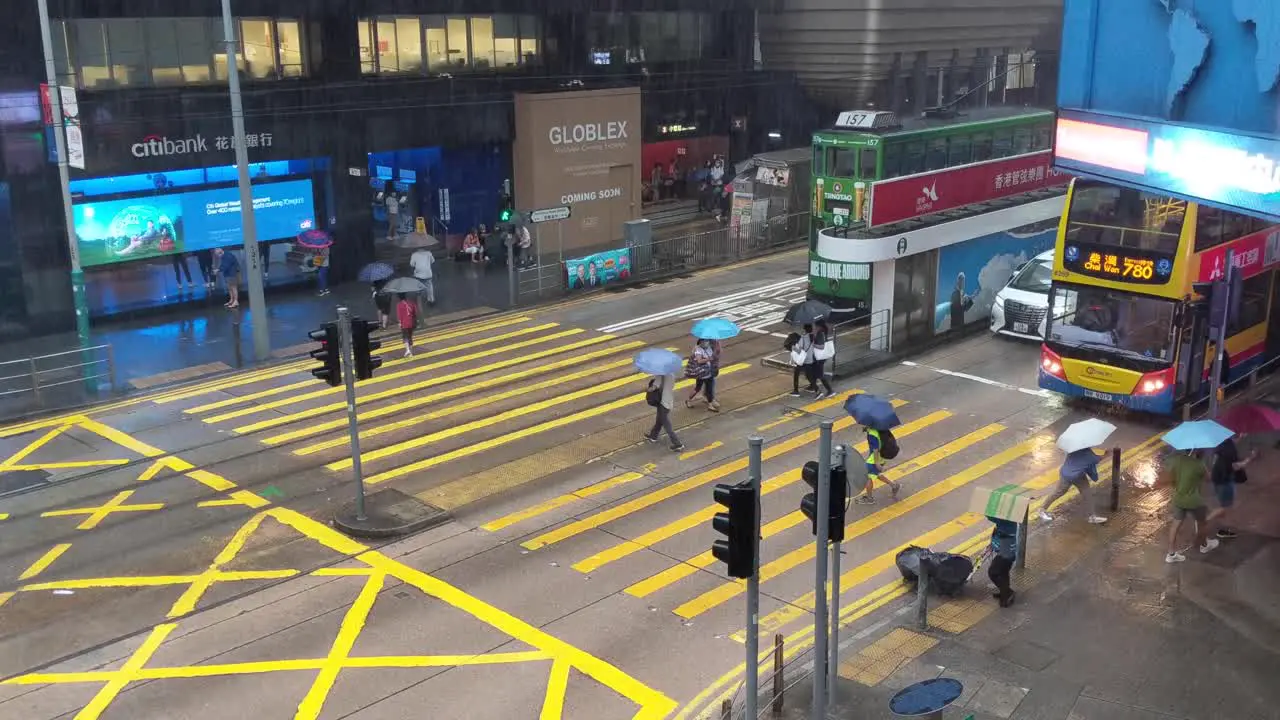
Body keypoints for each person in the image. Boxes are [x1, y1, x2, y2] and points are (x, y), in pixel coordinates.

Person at [1161, 449, 1219, 563]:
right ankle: (1204, 545)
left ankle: (1171, 554)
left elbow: (1171, 477)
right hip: (1194, 500)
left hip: (1178, 498)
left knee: (1175, 525)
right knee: (1202, 522)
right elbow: (1209, 479)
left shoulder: (1177, 461)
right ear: (1198, 452)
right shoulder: (1199, 464)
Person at [1038, 447, 1108, 524]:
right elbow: (1097, 459)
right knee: (1086, 494)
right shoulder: (1088, 454)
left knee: (1061, 492)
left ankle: (1042, 509)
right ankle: (1092, 517)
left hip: (1070, 473)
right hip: (1071, 475)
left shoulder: (1072, 449)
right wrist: (1107, 454)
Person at [1210, 434, 1257, 539]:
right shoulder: (1230, 450)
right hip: (1224, 481)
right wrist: (1250, 458)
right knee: (1225, 507)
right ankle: (1203, 522)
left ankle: (1223, 529)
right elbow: (1236, 466)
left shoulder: (1223, 443)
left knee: (1225, 505)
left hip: (1218, 478)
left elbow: (1216, 460)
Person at [857, 424, 901, 504]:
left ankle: (869, 499)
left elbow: (875, 449)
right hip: (882, 455)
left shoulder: (872, 434)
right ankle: (894, 485)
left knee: (867, 476)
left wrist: (877, 463)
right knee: (874, 473)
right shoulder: (881, 427)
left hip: (875, 458)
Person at [644, 372, 685, 451]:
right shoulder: (671, 374)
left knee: (666, 424)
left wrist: (648, 389)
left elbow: (654, 387)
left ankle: (678, 444)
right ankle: (653, 436)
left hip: (663, 401)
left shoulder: (660, 374)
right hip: (668, 400)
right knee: (659, 419)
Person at [986, 517, 1019, 608]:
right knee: (1003, 573)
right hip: (1006, 552)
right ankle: (1005, 592)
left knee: (993, 572)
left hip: (1006, 554)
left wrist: (987, 511)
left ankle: (1007, 593)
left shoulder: (1007, 521)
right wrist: (993, 545)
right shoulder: (1006, 521)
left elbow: (992, 517)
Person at [685, 339, 721, 412]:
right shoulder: (698, 349)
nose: (706, 343)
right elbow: (699, 361)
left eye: (707, 341)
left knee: (709, 389)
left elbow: (714, 355)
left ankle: (710, 405)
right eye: (704, 341)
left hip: (709, 372)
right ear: (700, 342)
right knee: (697, 388)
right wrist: (708, 359)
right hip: (702, 373)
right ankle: (688, 400)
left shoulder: (709, 348)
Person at [809, 318, 835, 399]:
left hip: (820, 357)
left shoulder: (820, 334)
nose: (812, 326)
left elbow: (821, 346)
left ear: (818, 326)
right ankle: (813, 387)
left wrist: (813, 345)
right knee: (814, 373)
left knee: (819, 374)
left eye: (814, 325)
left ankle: (830, 391)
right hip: (818, 357)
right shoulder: (817, 332)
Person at [788, 325, 815, 397]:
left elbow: (799, 351)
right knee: (809, 374)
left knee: (796, 374)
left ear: (804, 330)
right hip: (810, 358)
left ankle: (796, 391)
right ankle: (813, 387)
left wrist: (793, 348)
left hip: (803, 360)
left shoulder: (803, 338)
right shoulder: (812, 336)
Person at [410, 245, 436, 313]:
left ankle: (419, 302)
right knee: (429, 286)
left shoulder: (414, 254)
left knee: (419, 287)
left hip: (419, 274)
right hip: (428, 273)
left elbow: (412, 264)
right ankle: (431, 300)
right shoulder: (428, 253)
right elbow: (433, 261)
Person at [395, 293, 417, 358]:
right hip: (411, 322)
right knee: (410, 337)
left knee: (405, 337)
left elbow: (399, 315)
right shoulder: (411, 303)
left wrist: (399, 323)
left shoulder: (399, 305)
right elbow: (415, 312)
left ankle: (407, 350)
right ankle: (411, 353)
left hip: (404, 323)